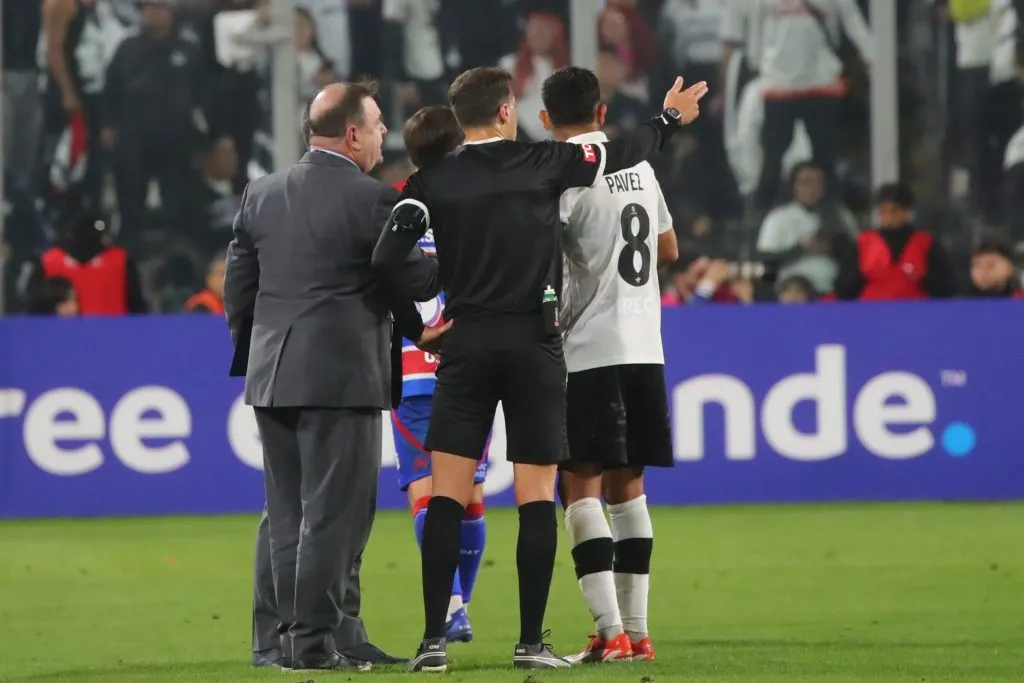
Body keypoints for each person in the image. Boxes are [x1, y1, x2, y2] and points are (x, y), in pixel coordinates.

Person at [372, 65, 708, 672]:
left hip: (466, 347)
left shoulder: (428, 182)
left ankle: (432, 645)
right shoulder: (543, 164)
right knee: (534, 498)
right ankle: (530, 643)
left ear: (459, 116)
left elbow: (385, 260)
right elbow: (621, 150)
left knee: (446, 497)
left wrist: (416, 328)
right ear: (506, 111)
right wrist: (668, 120)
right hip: (535, 345)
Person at [225, 81, 449, 672]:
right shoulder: (373, 201)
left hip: (272, 374)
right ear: (351, 134)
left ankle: (286, 640)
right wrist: (434, 251)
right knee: (335, 515)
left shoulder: (261, 194)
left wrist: (263, 353)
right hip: (340, 374)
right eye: (376, 125)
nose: (382, 135)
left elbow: (238, 291)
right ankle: (312, 644)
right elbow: (416, 281)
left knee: (286, 513)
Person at [538, 66, 679, 664]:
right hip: (645, 343)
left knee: (580, 485)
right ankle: (639, 634)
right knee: (630, 487)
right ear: (601, 112)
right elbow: (668, 248)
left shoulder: (560, 176)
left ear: (544, 120)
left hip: (588, 346)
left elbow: (543, 257)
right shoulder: (640, 167)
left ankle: (609, 632)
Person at [391, 106, 488, 644]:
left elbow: (381, 273)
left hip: (412, 366)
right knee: (470, 493)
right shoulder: (479, 204)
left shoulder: (397, 206)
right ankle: (459, 606)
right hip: (469, 362)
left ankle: (451, 605)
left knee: (429, 491)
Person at [834, 183, 956, 301]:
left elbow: (947, 287)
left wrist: (923, 276)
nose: (888, 217)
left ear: (907, 211)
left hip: (916, 314)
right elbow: (843, 290)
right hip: (872, 315)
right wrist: (860, 275)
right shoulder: (863, 244)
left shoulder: (926, 243)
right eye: (883, 211)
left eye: (894, 211)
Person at [24, 211, 147, 315]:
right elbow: (137, 308)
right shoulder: (121, 261)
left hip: (103, 338)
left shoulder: (48, 261)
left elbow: (32, 311)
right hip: (110, 338)